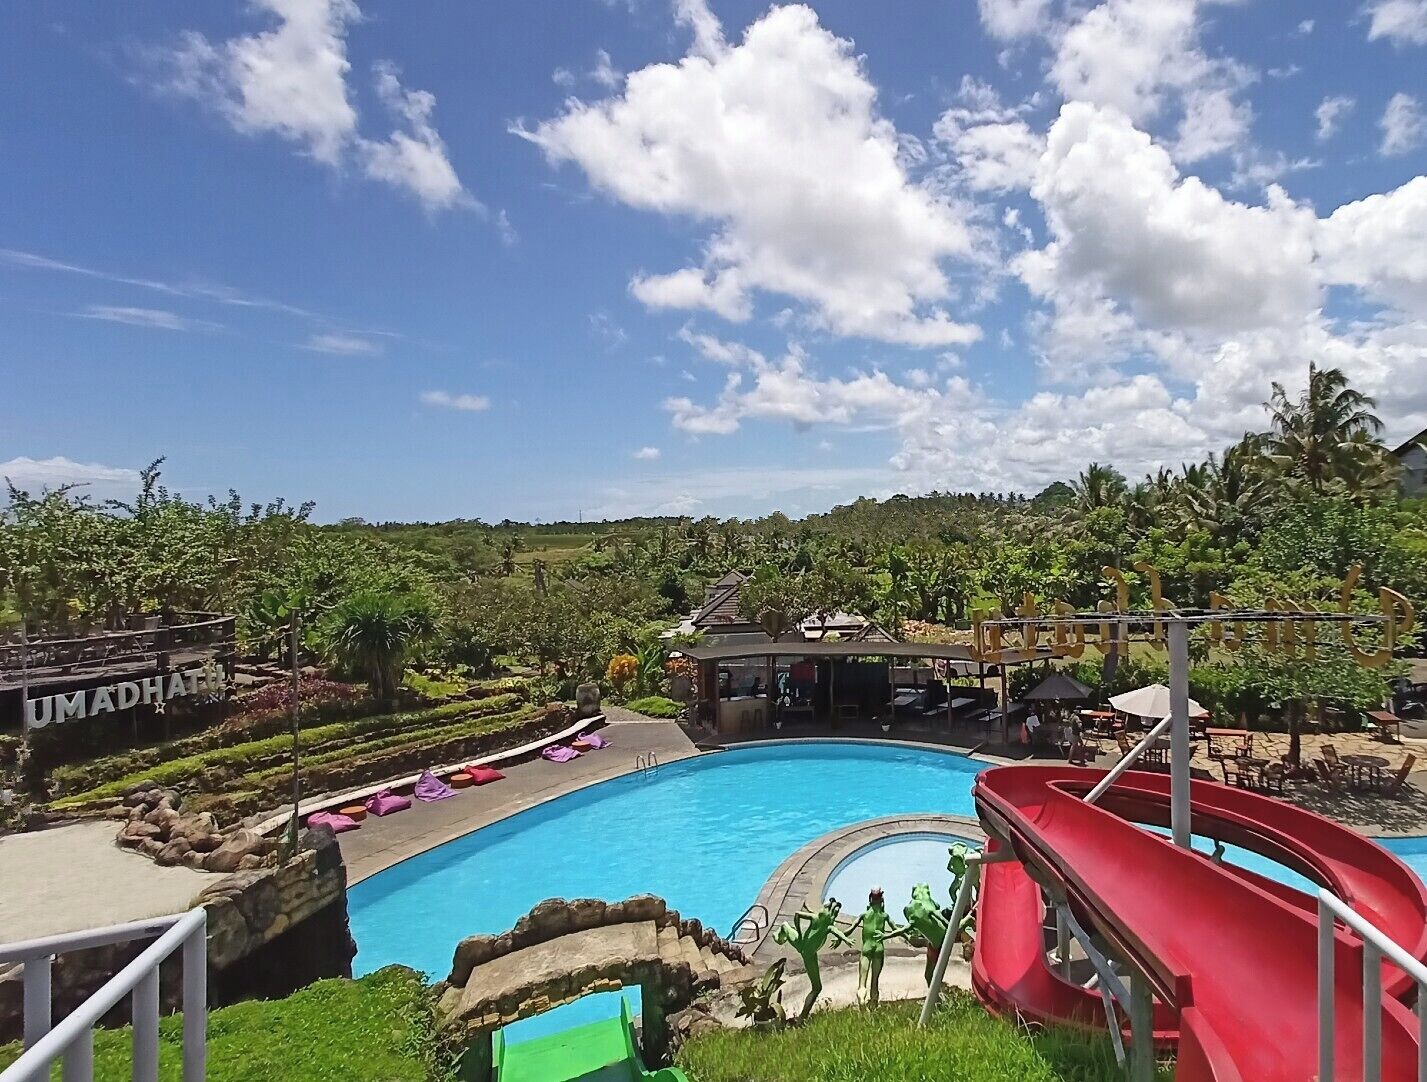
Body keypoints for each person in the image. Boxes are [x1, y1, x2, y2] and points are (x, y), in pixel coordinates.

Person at [772, 899, 853, 1019]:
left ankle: (781, 932)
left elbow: (798, 915)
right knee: (817, 987)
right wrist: (846, 940)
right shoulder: (826, 925)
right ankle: (803, 1017)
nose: (834, 917)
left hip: (801, 943)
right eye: (834, 914)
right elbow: (837, 932)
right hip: (808, 954)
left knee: (786, 926)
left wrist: (799, 932)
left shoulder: (818, 920)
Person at [850, 887, 906, 1005]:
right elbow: (897, 930)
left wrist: (842, 937)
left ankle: (861, 1000)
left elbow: (851, 928)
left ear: (870, 899)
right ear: (881, 899)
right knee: (874, 981)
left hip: (866, 948)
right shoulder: (885, 915)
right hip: (878, 949)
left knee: (862, 982)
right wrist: (908, 937)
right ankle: (874, 1004)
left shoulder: (864, 915)